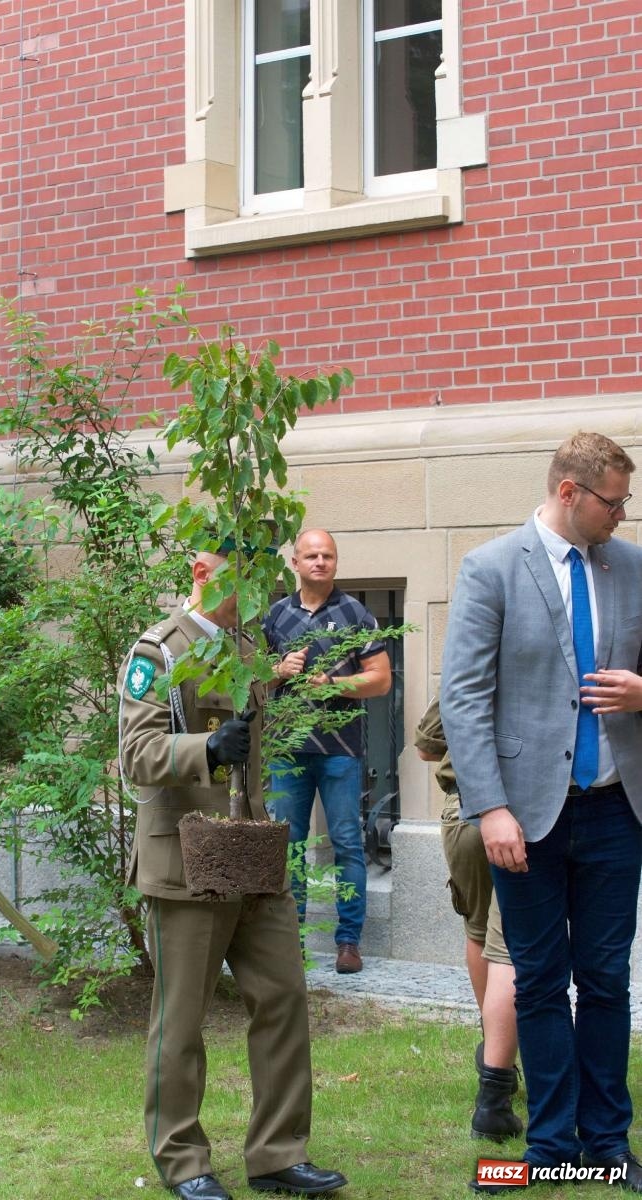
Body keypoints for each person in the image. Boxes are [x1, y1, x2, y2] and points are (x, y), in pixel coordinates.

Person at [440, 432, 642, 1193]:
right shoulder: (491, 568)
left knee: (605, 980)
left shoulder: (632, 567)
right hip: (523, 817)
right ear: (568, 492)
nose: (622, 515)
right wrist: (489, 807)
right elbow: (463, 700)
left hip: (618, 811)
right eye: (612, 502)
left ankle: (607, 1143)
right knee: (537, 980)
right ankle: (550, 1144)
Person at [118, 543, 347, 1200]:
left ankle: (277, 1153)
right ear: (202, 573)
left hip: (250, 854)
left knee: (282, 997)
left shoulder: (248, 649)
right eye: (242, 577)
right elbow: (135, 754)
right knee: (181, 1018)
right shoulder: (158, 650)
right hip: (182, 859)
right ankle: (183, 1161)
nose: (259, 589)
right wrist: (207, 748)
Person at [263, 529, 391, 974]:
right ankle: (290, 942)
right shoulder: (275, 615)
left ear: (336, 562)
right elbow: (250, 681)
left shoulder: (355, 612)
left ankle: (348, 943)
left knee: (347, 846)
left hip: (340, 750)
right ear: (295, 563)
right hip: (287, 749)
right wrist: (279, 670)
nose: (320, 562)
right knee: (289, 849)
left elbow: (381, 679)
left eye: (328, 555)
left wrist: (334, 683)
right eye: (311, 555)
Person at [414, 697, 520, 1142]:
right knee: (514, 948)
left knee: (480, 933)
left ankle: (494, 1057)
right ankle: (501, 1076)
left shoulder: (467, 667)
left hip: (463, 812)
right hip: (519, 814)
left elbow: (424, 746)